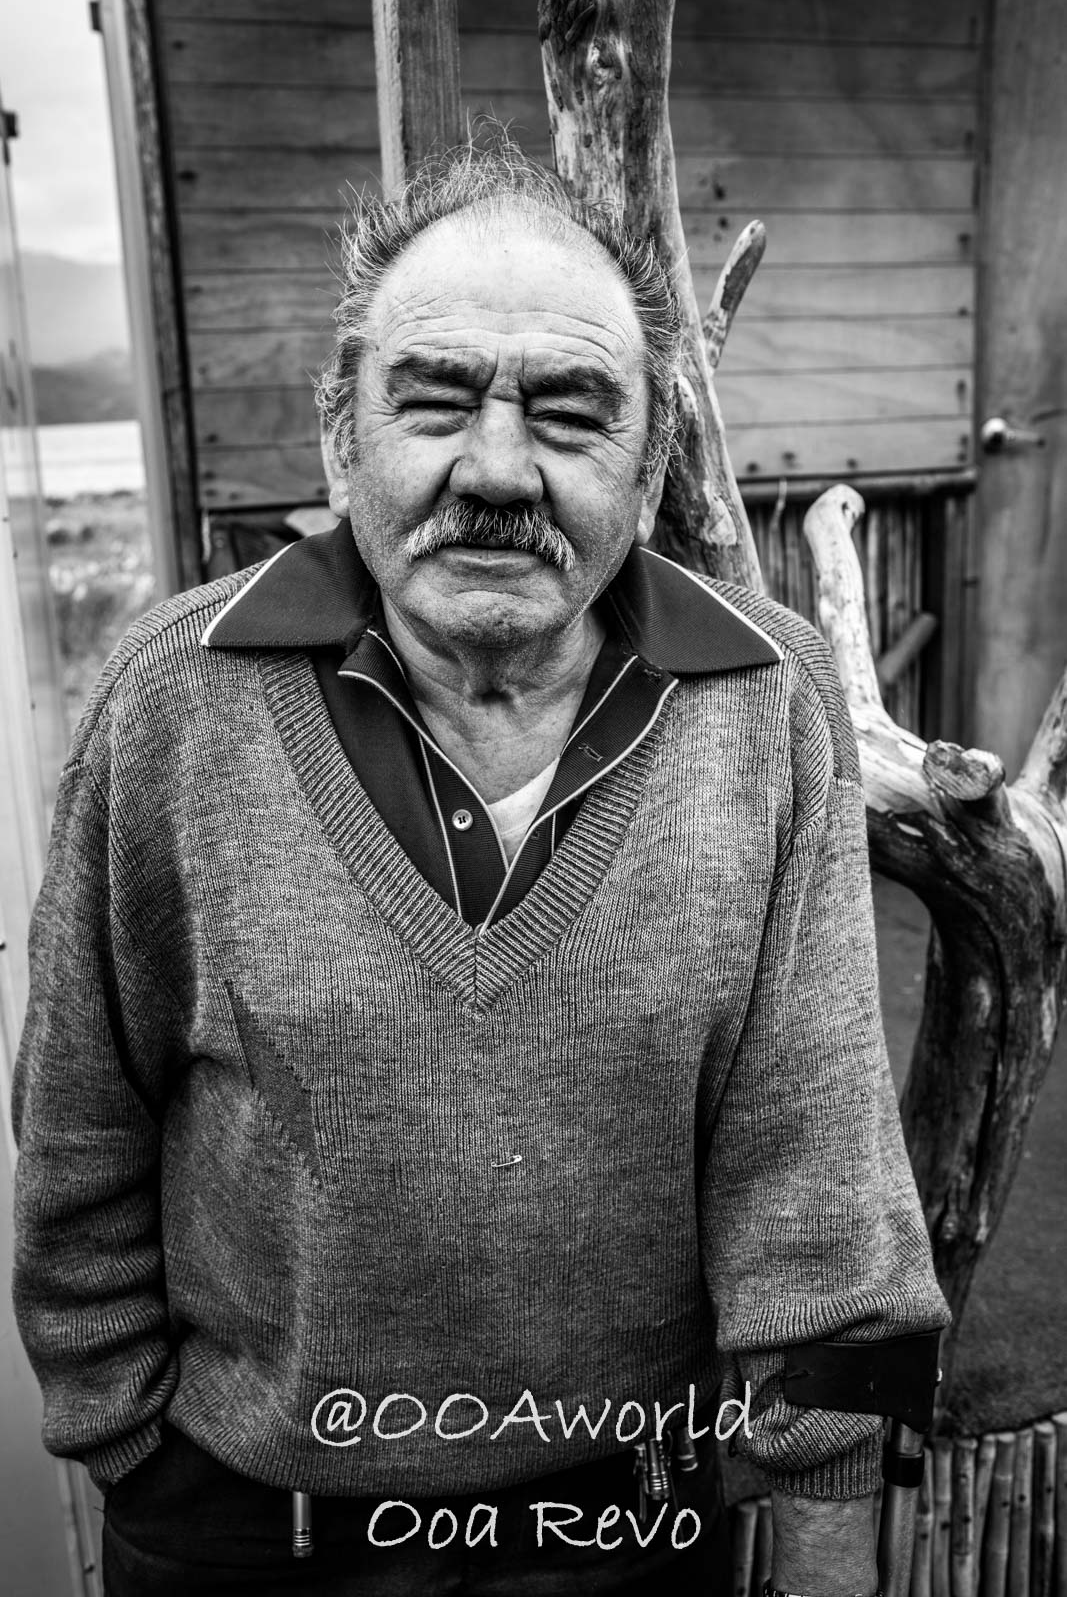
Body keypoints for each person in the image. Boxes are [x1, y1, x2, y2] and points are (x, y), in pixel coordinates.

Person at [12, 138, 949, 1596]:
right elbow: (78, 1127)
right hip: (255, 1542)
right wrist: (130, 1442)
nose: (498, 469)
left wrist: (826, 1542)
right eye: (437, 400)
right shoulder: (169, 706)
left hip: (627, 1542)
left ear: (651, 464)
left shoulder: (768, 708)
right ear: (342, 440)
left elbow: (817, 1186)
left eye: (570, 414)